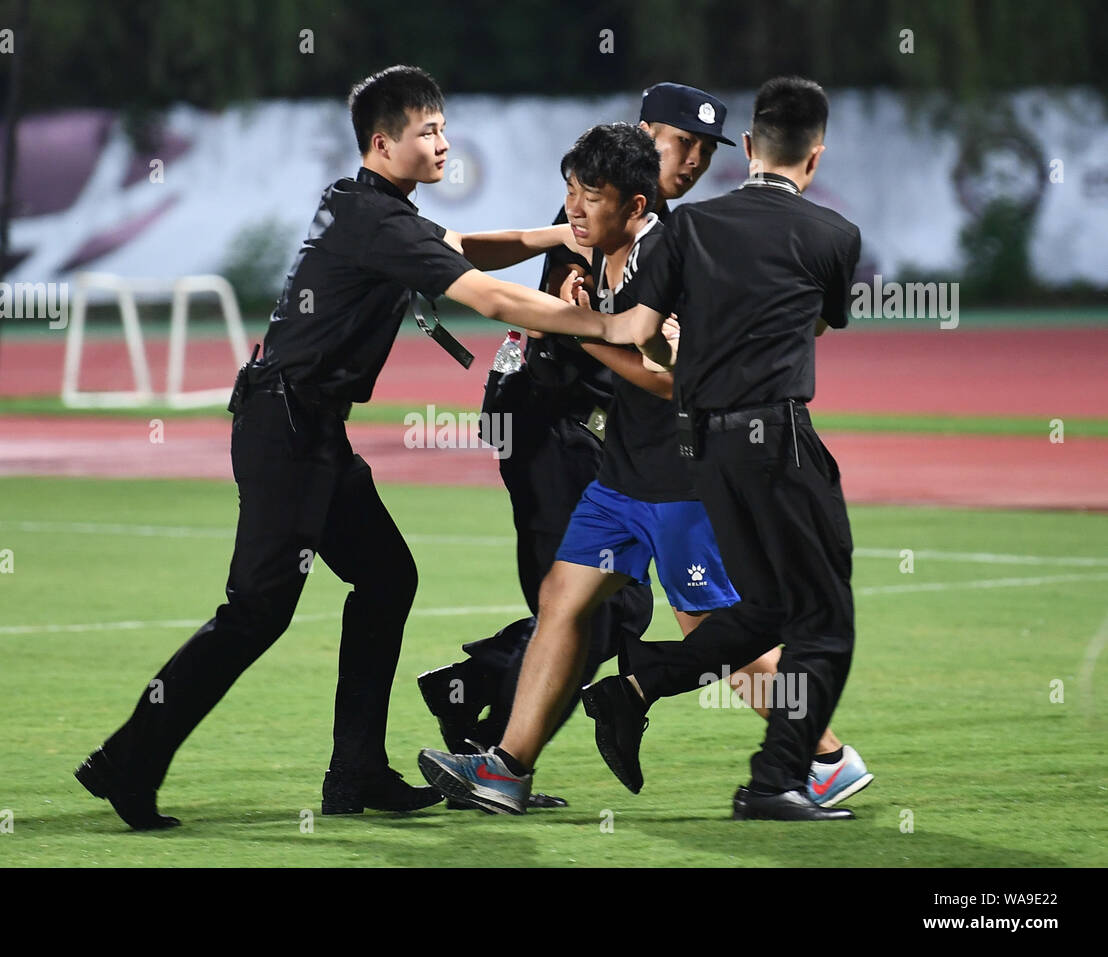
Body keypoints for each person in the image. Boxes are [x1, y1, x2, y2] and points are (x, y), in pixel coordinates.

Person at [73, 64, 637, 830]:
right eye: (427, 130)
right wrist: (610, 325)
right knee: (256, 612)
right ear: (383, 142)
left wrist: (552, 235)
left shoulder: (370, 207)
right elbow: (492, 294)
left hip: (310, 428)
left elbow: (465, 243)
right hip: (287, 428)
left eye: (443, 126)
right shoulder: (380, 222)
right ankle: (127, 761)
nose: (443, 141)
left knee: (386, 577)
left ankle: (358, 771)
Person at [419, 76, 865, 821]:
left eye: (701, 150)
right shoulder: (593, 227)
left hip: (682, 476)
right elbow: (506, 252)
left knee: (714, 629)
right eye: (681, 143)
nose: (688, 162)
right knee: (564, 600)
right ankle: (505, 769)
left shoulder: (681, 247)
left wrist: (580, 328)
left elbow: (677, 381)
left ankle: (823, 755)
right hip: (619, 474)